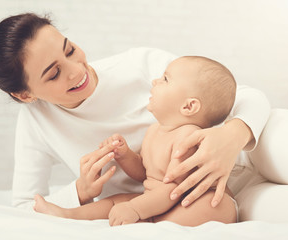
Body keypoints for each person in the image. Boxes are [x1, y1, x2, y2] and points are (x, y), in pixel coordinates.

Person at [0, 13, 270, 216]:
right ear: (25, 95)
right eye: (54, 73)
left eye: (69, 50)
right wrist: (81, 192)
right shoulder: (36, 124)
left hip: (241, 165)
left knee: (285, 131)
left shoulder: (138, 64)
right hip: (183, 205)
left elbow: (247, 96)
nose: (77, 71)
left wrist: (231, 137)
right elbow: (23, 207)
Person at [33, 56, 238, 226]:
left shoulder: (188, 138)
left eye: (165, 79)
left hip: (190, 200)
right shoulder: (154, 130)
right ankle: (68, 215)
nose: (155, 81)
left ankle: (154, 225)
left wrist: (136, 209)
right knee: (115, 200)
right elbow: (144, 174)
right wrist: (125, 156)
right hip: (158, 199)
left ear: (188, 106)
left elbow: (174, 190)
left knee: (210, 207)